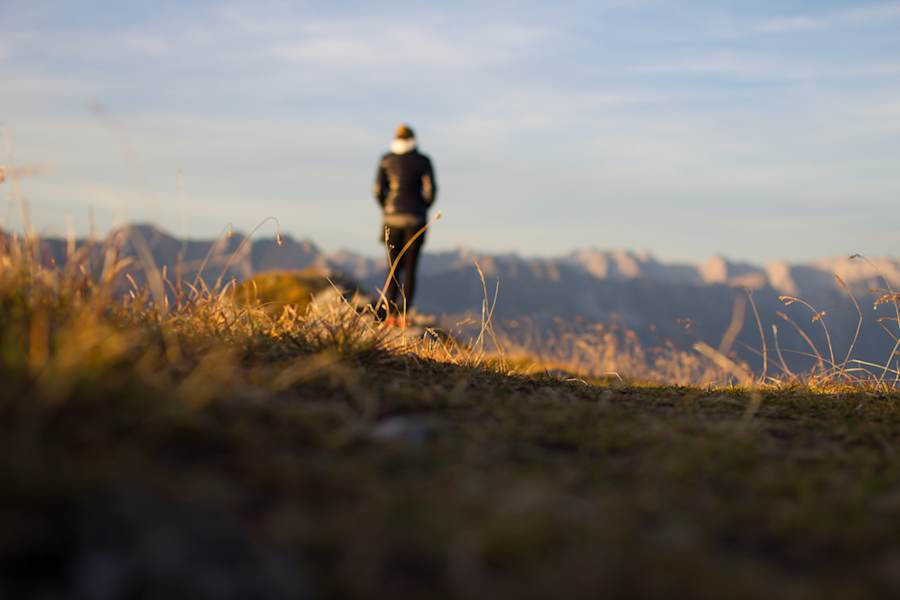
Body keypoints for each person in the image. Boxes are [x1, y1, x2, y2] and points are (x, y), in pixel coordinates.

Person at [373, 124, 437, 325]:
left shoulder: (386, 160)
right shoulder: (423, 161)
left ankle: (389, 314)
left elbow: (377, 190)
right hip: (415, 220)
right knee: (410, 268)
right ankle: (404, 315)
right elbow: (431, 190)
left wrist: (388, 207)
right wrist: (421, 207)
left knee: (392, 267)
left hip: (391, 220)